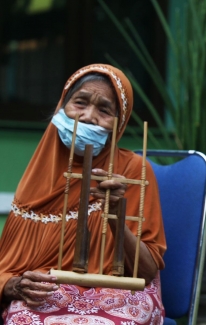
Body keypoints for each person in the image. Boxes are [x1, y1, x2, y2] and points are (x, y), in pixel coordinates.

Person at [0, 64, 166, 324]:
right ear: (61, 107)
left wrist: (114, 213)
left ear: (118, 123)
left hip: (119, 293)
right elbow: (7, 266)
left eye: (104, 110)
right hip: (49, 294)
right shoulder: (38, 174)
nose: (88, 116)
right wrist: (15, 286)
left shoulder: (134, 170)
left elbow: (145, 273)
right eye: (80, 103)